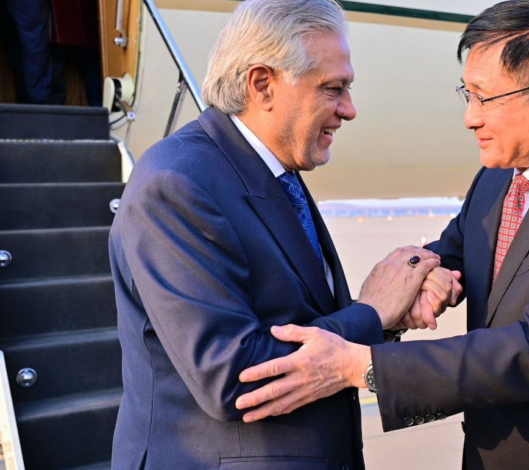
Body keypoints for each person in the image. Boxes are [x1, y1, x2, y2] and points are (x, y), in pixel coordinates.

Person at [233, 1, 529, 469]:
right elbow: (449, 257)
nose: (470, 117)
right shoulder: (499, 175)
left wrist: (359, 364)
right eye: (467, 94)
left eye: (485, 98)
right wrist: (417, 280)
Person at [108, 1, 458, 469]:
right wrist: (371, 312)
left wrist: (388, 315)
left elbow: (297, 320)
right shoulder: (176, 184)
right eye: (332, 89)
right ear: (262, 85)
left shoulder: (269, 168)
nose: (349, 110)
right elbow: (234, 377)